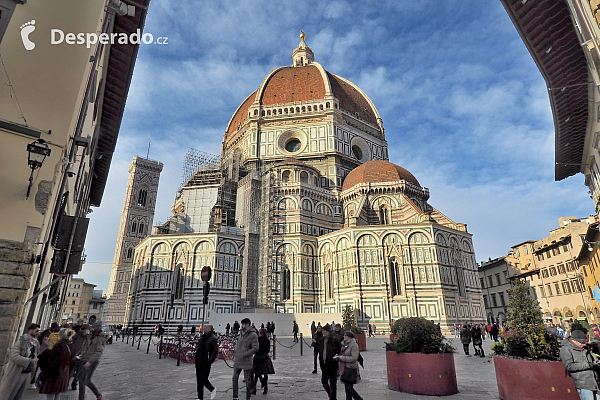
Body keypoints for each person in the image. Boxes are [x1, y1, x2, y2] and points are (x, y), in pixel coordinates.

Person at [0, 323, 40, 400]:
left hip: (27, 372)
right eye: (36, 331)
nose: (38, 333)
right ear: (30, 331)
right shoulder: (22, 341)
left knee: (20, 394)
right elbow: (14, 356)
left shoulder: (35, 343)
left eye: (39, 331)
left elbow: (37, 354)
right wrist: (29, 360)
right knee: (11, 393)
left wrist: (45, 345)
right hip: (18, 371)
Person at [561, 329, 600, 400]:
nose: (584, 344)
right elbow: (569, 366)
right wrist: (589, 365)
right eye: (582, 342)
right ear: (574, 341)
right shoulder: (566, 349)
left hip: (595, 382)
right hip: (583, 384)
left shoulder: (585, 348)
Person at [39, 328, 75, 400]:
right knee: (57, 393)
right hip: (65, 372)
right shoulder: (71, 345)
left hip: (55, 373)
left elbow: (52, 361)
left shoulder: (59, 345)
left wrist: (44, 373)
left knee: (50, 393)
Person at [77, 321, 106, 400]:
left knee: (86, 380)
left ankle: (98, 394)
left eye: (93, 328)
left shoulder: (101, 338)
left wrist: (89, 362)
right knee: (81, 380)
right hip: (83, 359)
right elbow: (84, 347)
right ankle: (81, 398)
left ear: (97, 328)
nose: (91, 329)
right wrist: (81, 354)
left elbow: (98, 352)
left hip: (92, 361)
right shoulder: (89, 336)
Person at [232, 318, 258, 400]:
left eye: (243, 324)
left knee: (247, 380)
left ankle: (248, 396)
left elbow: (255, 348)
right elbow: (238, 346)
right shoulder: (241, 334)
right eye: (241, 324)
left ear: (247, 324)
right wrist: (235, 355)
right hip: (238, 360)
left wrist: (245, 354)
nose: (241, 325)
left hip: (247, 360)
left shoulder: (253, 335)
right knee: (234, 378)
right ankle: (235, 397)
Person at [335, 331, 363, 400]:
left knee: (348, 389)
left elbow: (354, 358)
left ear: (349, 337)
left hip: (350, 368)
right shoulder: (344, 344)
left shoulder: (354, 345)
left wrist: (341, 358)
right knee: (349, 389)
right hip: (344, 368)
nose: (343, 336)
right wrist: (338, 356)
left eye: (345, 335)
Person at [194, 324, 218, 400]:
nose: (204, 328)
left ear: (210, 329)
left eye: (206, 327)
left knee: (204, 378)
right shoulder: (203, 337)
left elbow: (214, 351)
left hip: (205, 361)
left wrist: (209, 360)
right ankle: (199, 397)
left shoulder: (213, 338)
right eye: (204, 327)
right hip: (199, 360)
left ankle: (212, 389)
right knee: (198, 380)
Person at [319, 324, 341, 400]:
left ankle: (333, 398)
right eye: (323, 331)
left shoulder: (334, 340)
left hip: (332, 365)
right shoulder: (321, 340)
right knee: (324, 381)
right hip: (324, 365)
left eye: (325, 331)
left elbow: (339, 351)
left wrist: (335, 359)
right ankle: (330, 395)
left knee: (333, 383)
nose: (323, 332)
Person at [252, 328, 275, 395]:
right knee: (265, 373)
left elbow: (255, 349)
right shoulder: (267, 341)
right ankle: (265, 387)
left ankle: (254, 388)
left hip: (258, 357)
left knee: (256, 373)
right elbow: (267, 350)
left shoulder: (258, 340)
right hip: (265, 357)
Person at [69, 324, 89, 391]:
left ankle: (74, 383)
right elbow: (71, 345)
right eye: (87, 330)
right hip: (74, 356)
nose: (87, 331)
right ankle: (66, 384)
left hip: (82, 357)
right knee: (70, 371)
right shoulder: (76, 336)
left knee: (79, 373)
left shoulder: (88, 338)